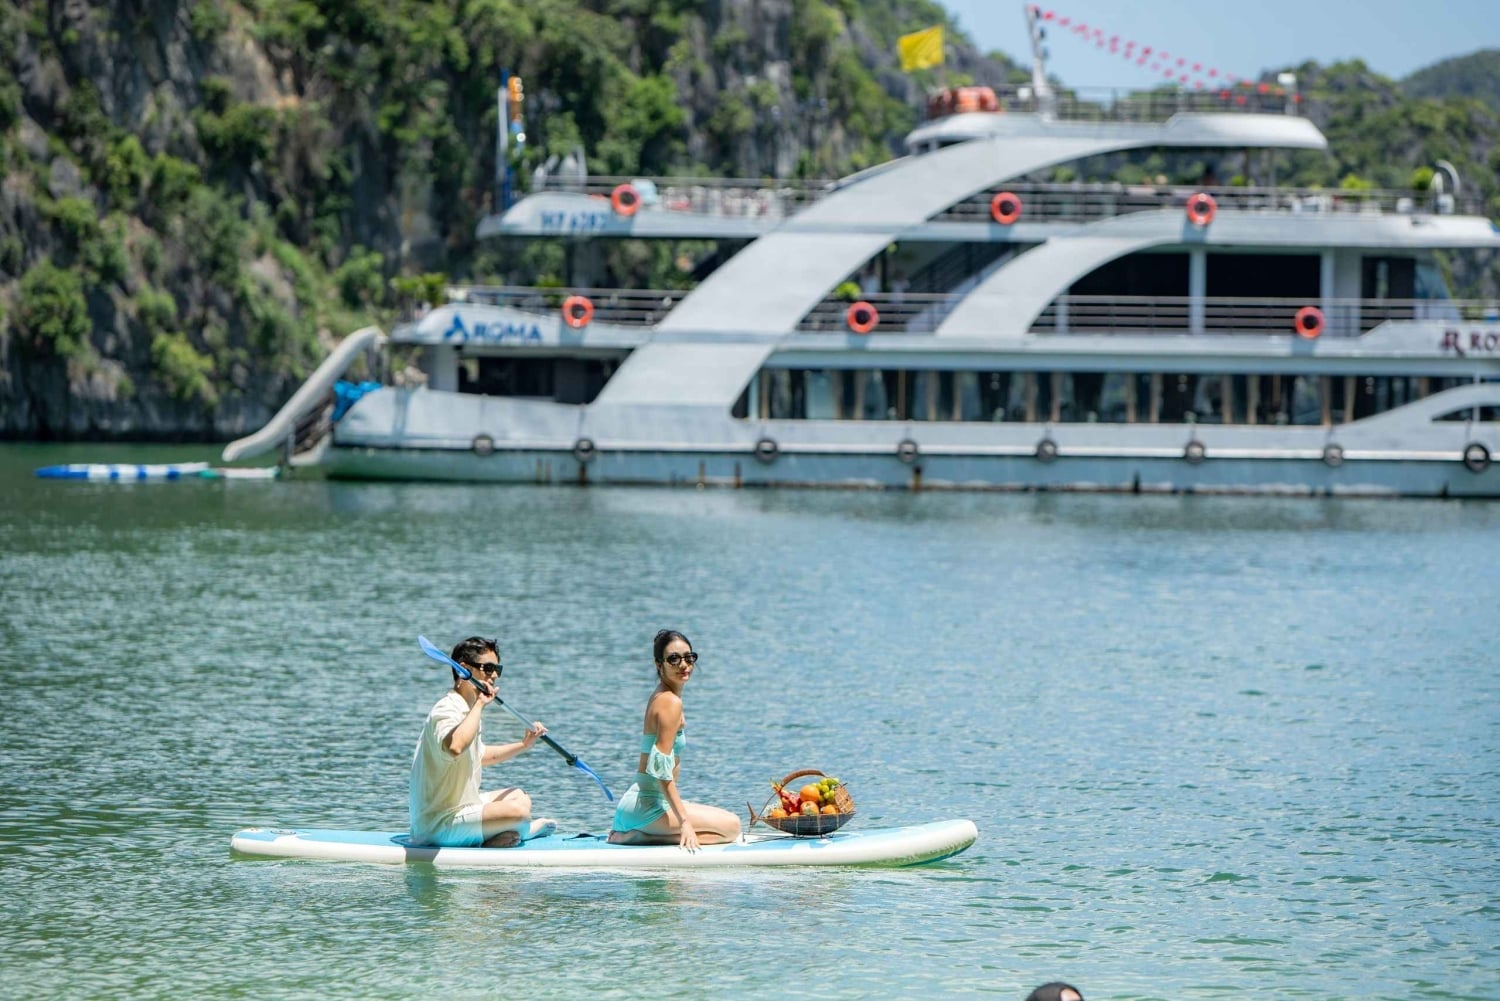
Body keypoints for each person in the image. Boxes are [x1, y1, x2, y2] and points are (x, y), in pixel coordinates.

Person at [408, 636, 556, 848]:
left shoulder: (467, 708)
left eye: (497, 669)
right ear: (463, 670)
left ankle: (497, 838)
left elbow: (480, 755)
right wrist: (479, 705)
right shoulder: (447, 709)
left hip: (462, 809)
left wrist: (524, 744)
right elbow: (455, 747)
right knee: (519, 814)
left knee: (520, 797)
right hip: (437, 826)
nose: (494, 675)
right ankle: (525, 832)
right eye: (487, 668)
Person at [608, 629, 742, 851]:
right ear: (658, 664)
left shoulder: (663, 695)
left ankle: (643, 833)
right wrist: (685, 822)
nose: (683, 665)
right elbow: (660, 769)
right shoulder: (670, 702)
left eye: (689, 658)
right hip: (647, 807)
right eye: (674, 659)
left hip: (647, 803)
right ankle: (640, 837)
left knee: (727, 822)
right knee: (732, 827)